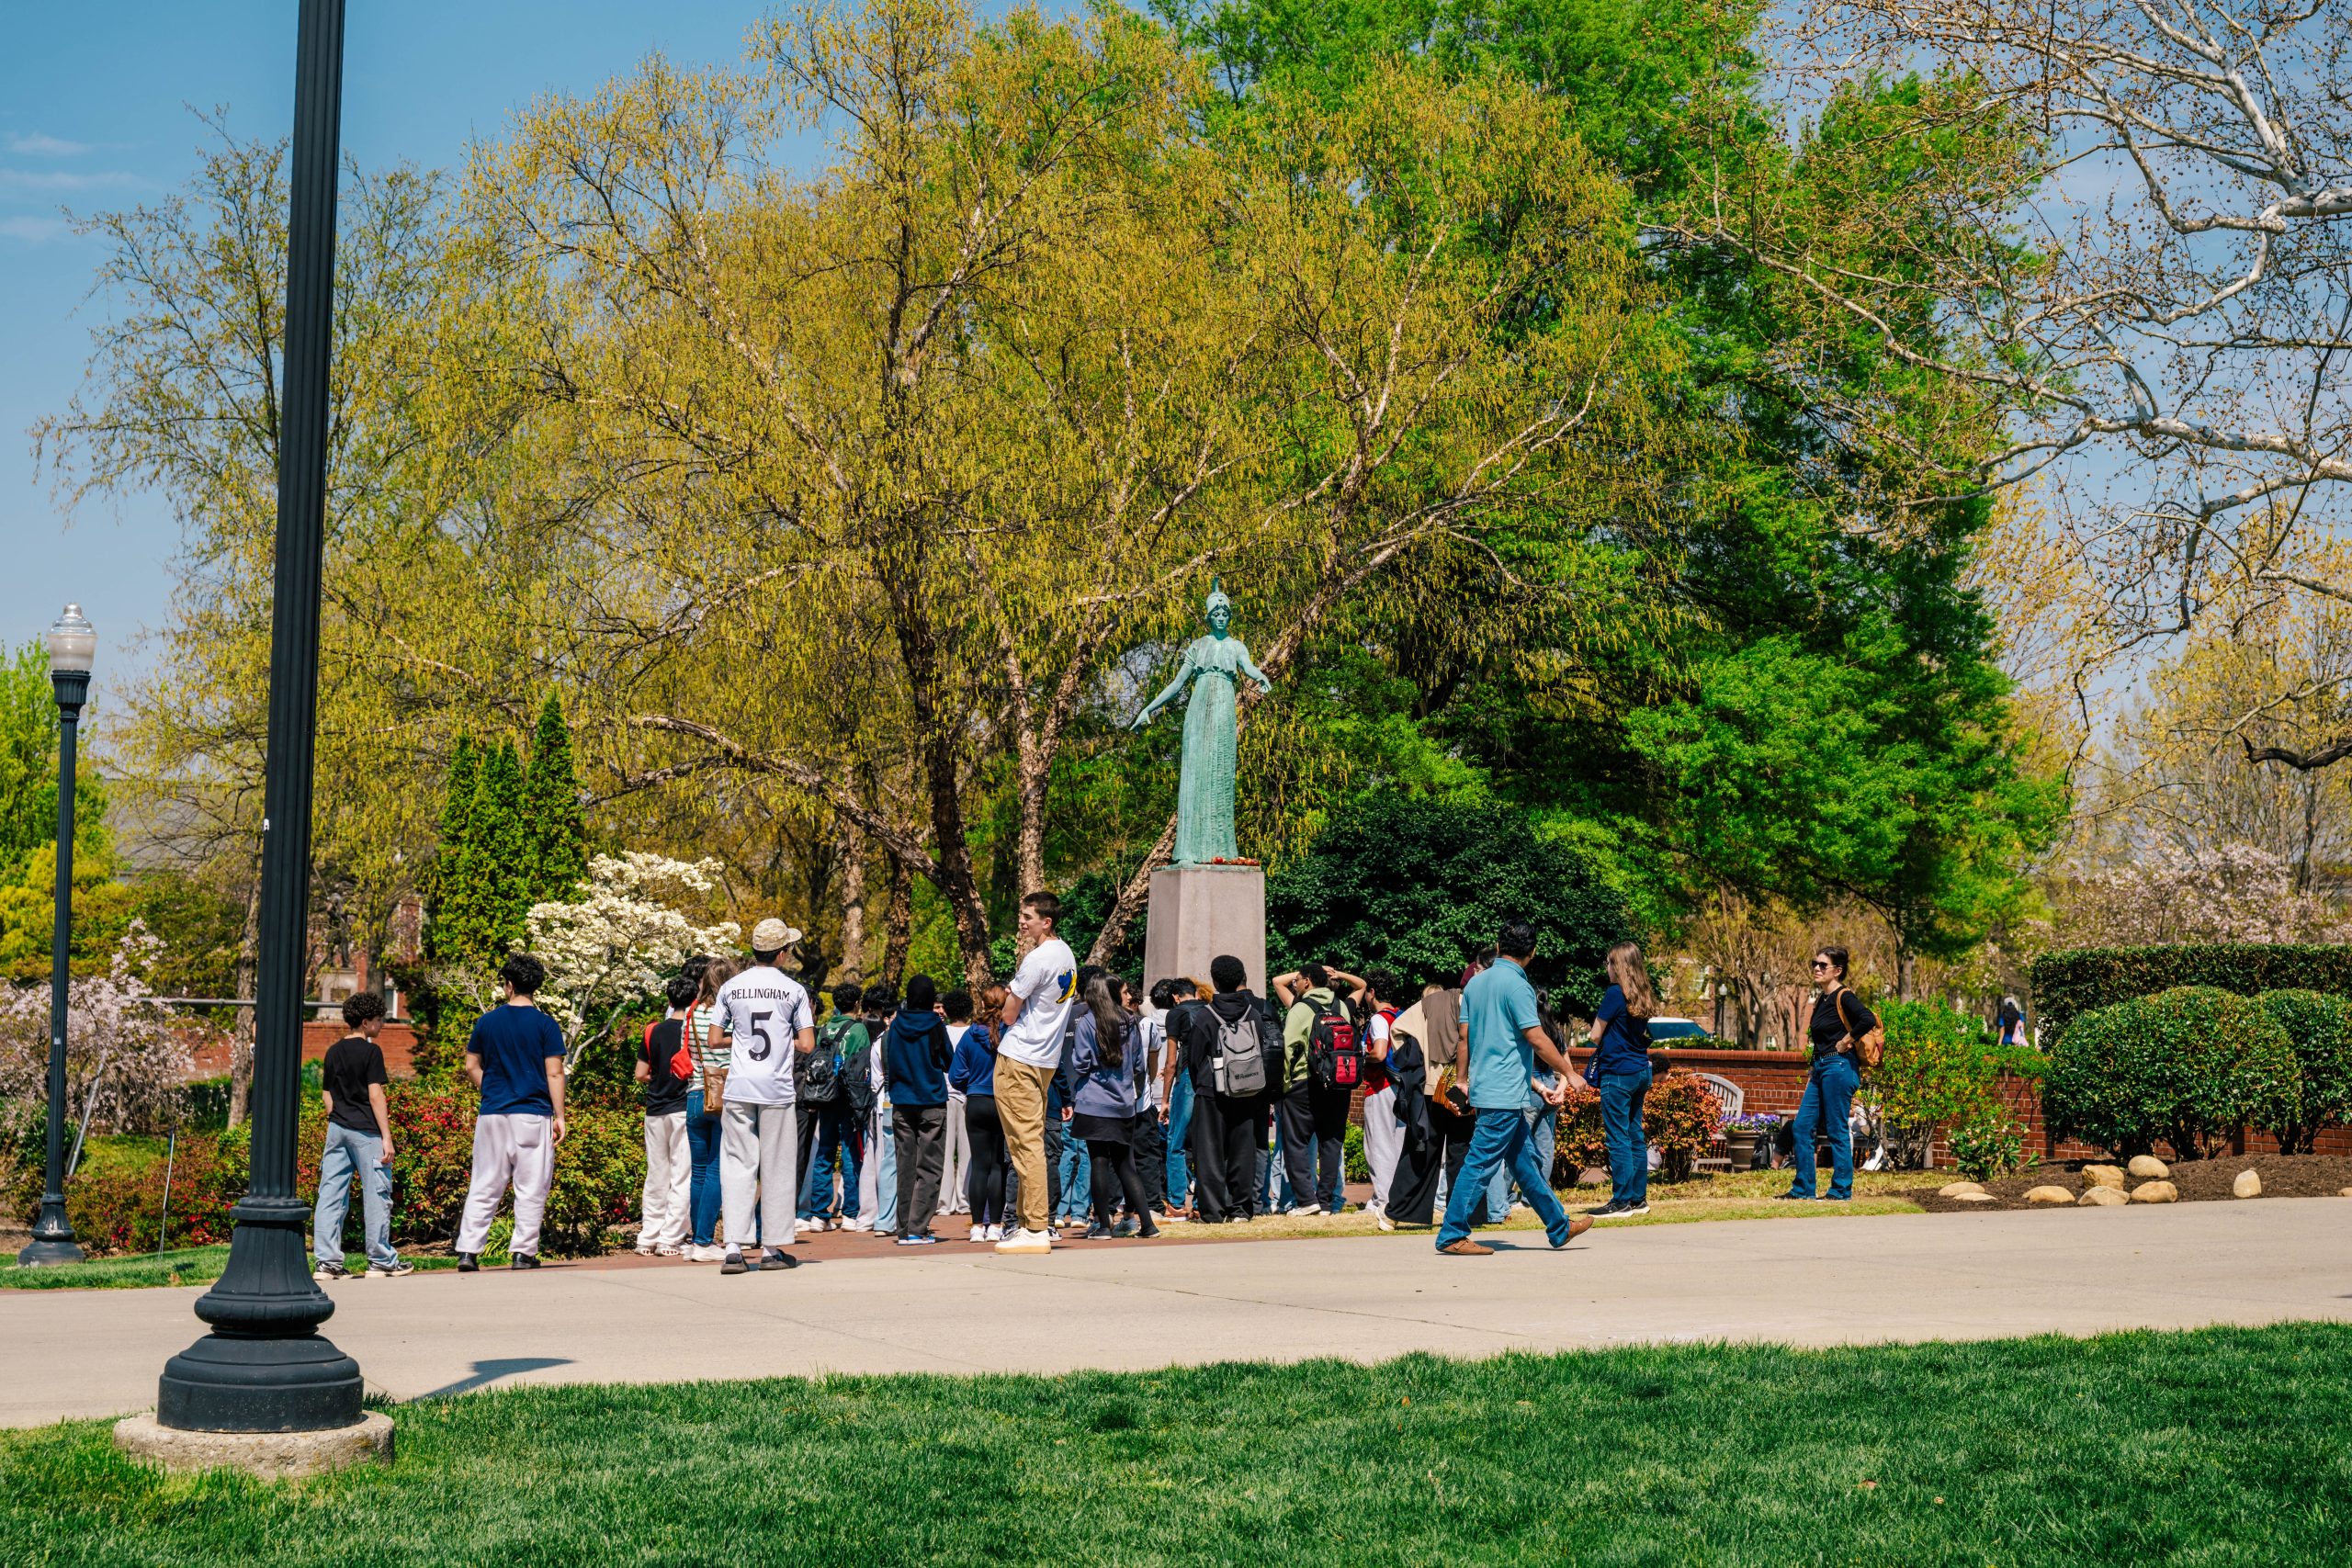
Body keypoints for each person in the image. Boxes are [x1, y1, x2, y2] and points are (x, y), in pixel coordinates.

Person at [1436, 922, 1594, 1257]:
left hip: (1486, 1086)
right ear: (1532, 952)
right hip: (1505, 1091)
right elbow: (1536, 1037)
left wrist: (1462, 1080)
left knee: (1525, 1163)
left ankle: (1559, 1225)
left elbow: (1463, 1037)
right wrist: (1569, 1072)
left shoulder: (1475, 985)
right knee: (1479, 1163)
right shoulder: (1519, 987)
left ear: (1497, 945)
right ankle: (1452, 1233)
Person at [710, 919, 816, 1274]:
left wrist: (741, 1039)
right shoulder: (794, 990)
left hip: (740, 1085)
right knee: (777, 1164)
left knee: (737, 1164)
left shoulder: (731, 987)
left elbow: (714, 1038)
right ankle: (771, 1247)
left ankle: (734, 1248)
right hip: (776, 1088)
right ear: (783, 953)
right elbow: (807, 1043)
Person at [456, 953, 569, 1272]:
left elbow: (470, 1065)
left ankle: (468, 1251)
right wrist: (559, 1116)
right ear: (535, 987)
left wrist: (490, 1088)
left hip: (492, 1113)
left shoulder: (487, 1022)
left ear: (508, 985)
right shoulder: (546, 1024)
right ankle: (522, 1253)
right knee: (531, 1185)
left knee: (485, 1182)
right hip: (531, 1113)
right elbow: (555, 1073)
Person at [994, 891, 1078, 1254]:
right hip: (1045, 1060)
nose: (1023, 922)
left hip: (1021, 1057)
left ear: (1047, 921)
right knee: (1031, 1141)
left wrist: (1006, 1007)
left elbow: (1009, 1014)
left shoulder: (1037, 959)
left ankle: (1036, 1227)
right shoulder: (1067, 954)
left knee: (1025, 1144)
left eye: (1028, 916)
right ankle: (1030, 1224)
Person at [312, 990, 409, 1280]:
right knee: (377, 1194)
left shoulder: (333, 1051)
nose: (382, 1025)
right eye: (379, 1020)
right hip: (366, 1132)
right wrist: (387, 1137)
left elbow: (327, 1092)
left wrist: (336, 1116)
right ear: (366, 1022)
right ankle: (380, 1261)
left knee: (330, 1194)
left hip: (337, 1131)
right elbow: (376, 1094)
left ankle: (327, 1263)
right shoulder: (371, 1052)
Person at [1178, 953, 1280, 1224]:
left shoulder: (1205, 1016)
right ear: (1239, 979)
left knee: (1210, 1154)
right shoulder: (1254, 1015)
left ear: (1214, 981)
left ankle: (1213, 1211)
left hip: (1211, 1092)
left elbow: (1195, 1058)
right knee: (1243, 1151)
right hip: (1246, 1090)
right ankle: (1241, 1209)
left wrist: (1205, 1083)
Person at [1383, 976, 1479, 1229]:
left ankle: (1401, 1212)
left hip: (1431, 1086)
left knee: (1422, 1150)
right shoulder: (1480, 1004)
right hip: (1464, 1087)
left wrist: (1417, 1062)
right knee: (1463, 1151)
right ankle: (1465, 1214)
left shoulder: (1432, 1003)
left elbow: (1398, 1029)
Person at [1781, 946, 1875, 1203]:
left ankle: (1841, 1190)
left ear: (1837, 970)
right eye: (1815, 963)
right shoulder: (1822, 999)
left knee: (1835, 1129)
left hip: (1840, 1068)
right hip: (1822, 1068)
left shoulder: (1843, 996)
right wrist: (1814, 1063)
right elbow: (1820, 1037)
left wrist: (1847, 1039)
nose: (1817, 968)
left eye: (1823, 965)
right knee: (1801, 1126)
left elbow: (1867, 1019)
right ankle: (1803, 1189)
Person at [1069, 974, 1159, 1239]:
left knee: (1098, 1162)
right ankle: (1147, 1223)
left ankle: (1104, 1226)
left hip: (1093, 1102)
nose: (1127, 995)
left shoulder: (1088, 1022)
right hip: (1124, 1102)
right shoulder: (1130, 1021)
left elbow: (1080, 1062)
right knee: (1125, 1163)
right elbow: (1139, 1064)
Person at [1270, 964, 1363, 1216]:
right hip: (1338, 1083)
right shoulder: (1341, 1006)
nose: (1294, 984)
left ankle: (1306, 1200)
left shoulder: (1301, 1008)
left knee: (1296, 1142)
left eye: (1298, 980)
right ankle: (1325, 1202)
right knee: (1332, 1142)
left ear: (1307, 982)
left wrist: (1285, 1085)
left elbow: (1288, 1048)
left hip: (1305, 1083)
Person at [1588, 944, 1657, 1218]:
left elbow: (1595, 1035)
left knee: (1617, 1137)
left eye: (1609, 963)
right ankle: (1638, 1199)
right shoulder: (1641, 994)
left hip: (1617, 1073)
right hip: (1640, 1070)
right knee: (1634, 1135)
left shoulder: (1614, 994)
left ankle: (1621, 1201)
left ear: (1619, 966)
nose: (1607, 967)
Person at [885, 974, 956, 1245]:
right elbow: (948, 1062)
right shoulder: (935, 1025)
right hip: (931, 1101)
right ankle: (918, 1228)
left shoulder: (895, 1025)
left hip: (902, 1103)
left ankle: (904, 1228)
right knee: (930, 1168)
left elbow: (888, 1059)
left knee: (905, 1167)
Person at [632, 974, 697, 1257]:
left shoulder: (653, 1031)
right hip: (683, 1107)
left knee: (656, 1174)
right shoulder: (694, 1031)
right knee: (682, 1175)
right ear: (694, 1001)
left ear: (669, 1001)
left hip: (654, 1109)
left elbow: (640, 1074)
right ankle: (671, 1238)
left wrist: (659, 1078)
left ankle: (647, 1236)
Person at [797, 982, 865, 1235]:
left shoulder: (824, 1028)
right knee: (849, 1153)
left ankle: (818, 1214)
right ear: (857, 1003)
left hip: (825, 1097)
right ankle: (850, 1213)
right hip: (849, 1098)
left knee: (824, 1152)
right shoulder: (859, 1029)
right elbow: (862, 1066)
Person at [682, 955, 733, 1261]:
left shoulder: (691, 1013)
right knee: (717, 1169)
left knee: (698, 1171)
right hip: (723, 1095)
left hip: (694, 1094)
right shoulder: (727, 1016)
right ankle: (704, 1241)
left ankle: (693, 1240)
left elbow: (686, 1050)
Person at [953, 984, 1011, 1240]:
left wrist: (973, 1085)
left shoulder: (969, 1035)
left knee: (979, 1165)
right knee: (998, 1164)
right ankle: (996, 1225)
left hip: (976, 1101)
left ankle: (977, 1225)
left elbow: (956, 1075)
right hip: (1002, 1101)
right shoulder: (1010, 1032)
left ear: (983, 1003)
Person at [1155, 976, 1204, 1219]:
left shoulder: (1176, 1014)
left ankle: (1176, 1202)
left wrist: (1165, 1100)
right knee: (1206, 1142)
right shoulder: (1210, 1009)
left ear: (1175, 997)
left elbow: (1171, 1062)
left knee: (1176, 1141)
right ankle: (1201, 1201)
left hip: (1187, 1078)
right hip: (1212, 1079)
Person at [859, 982, 899, 1236]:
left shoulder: (877, 1043)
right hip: (888, 1104)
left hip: (878, 1105)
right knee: (888, 1163)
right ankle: (884, 1217)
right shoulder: (889, 1042)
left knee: (875, 1163)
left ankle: (870, 1216)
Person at [938, 988, 975, 1219]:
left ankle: (942, 1203)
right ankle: (965, 1200)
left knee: (944, 1150)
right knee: (967, 1151)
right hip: (969, 1094)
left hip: (944, 1094)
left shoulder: (940, 1032)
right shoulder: (973, 1033)